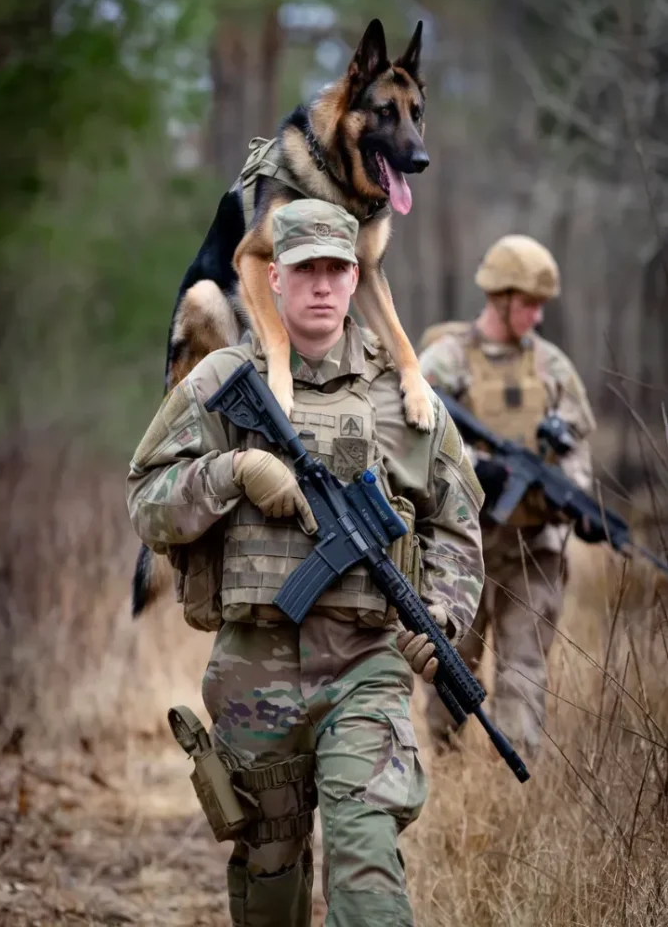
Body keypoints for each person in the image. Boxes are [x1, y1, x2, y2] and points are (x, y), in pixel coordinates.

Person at [126, 198, 485, 927]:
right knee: (269, 877)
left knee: (366, 855)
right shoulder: (222, 383)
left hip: (367, 666)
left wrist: (441, 613)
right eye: (304, 270)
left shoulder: (402, 396)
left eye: (335, 270)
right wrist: (231, 473)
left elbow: (457, 526)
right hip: (253, 669)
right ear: (275, 282)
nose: (321, 285)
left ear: (355, 280)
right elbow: (146, 500)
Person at [417, 234, 597, 759]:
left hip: (533, 546)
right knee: (451, 668)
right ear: (499, 298)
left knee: (525, 670)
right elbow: (412, 436)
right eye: (529, 305)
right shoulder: (444, 361)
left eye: (542, 306)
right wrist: (478, 470)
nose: (537, 318)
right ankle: (450, 783)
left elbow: (577, 450)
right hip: (461, 545)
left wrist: (575, 499)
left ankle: (516, 786)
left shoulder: (553, 369)